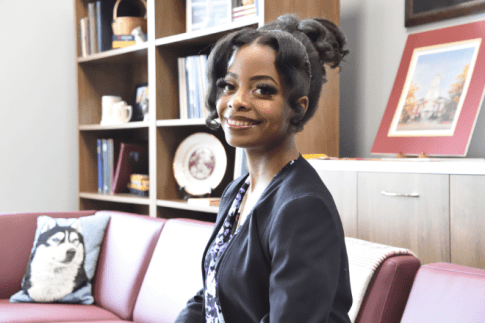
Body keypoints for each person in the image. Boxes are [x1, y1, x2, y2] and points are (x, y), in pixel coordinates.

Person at [175, 13, 352, 323]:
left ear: (298, 106)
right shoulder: (236, 192)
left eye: (263, 90)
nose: (237, 101)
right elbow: (212, 293)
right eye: (229, 86)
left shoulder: (302, 207)